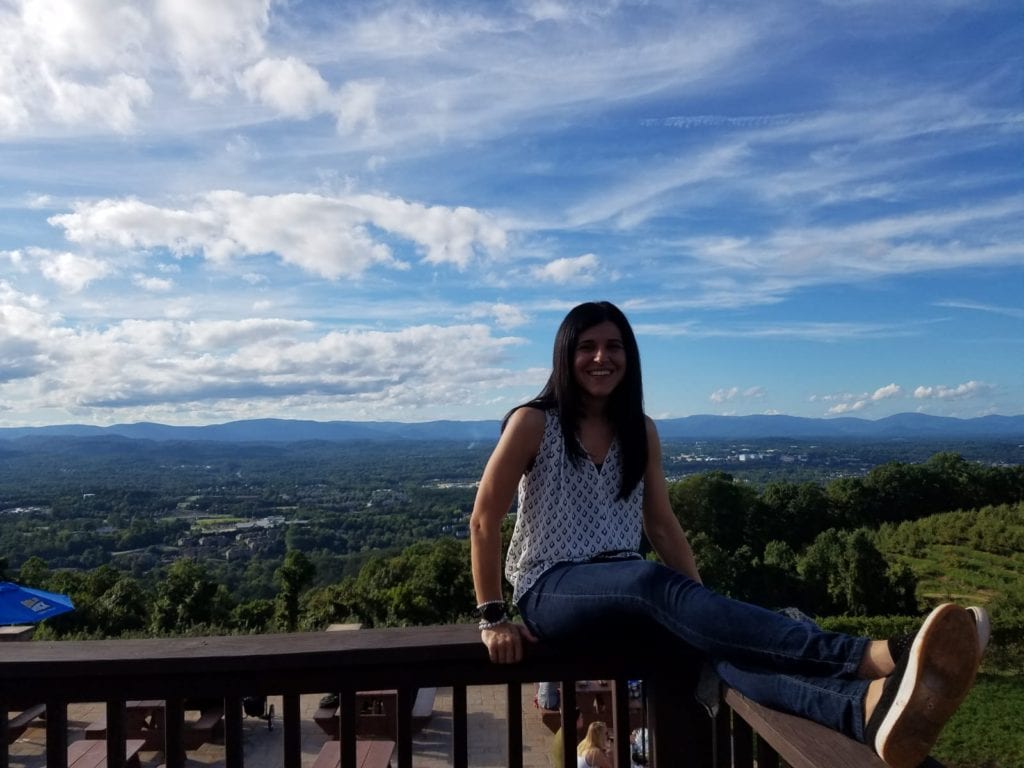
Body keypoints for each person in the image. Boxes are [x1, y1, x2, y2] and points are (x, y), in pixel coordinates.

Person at [469, 300, 987, 768]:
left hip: (630, 593)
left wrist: (698, 608)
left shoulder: (640, 431)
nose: (601, 357)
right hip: (552, 587)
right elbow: (483, 518)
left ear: (630, 358)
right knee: (646, 579)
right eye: (587, 347)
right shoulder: (534, 423)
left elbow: (663, 525)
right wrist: (493, 616)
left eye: (613, 347)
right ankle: (864, 655)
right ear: (566, 355)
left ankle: (861, 709)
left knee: (718, 651)